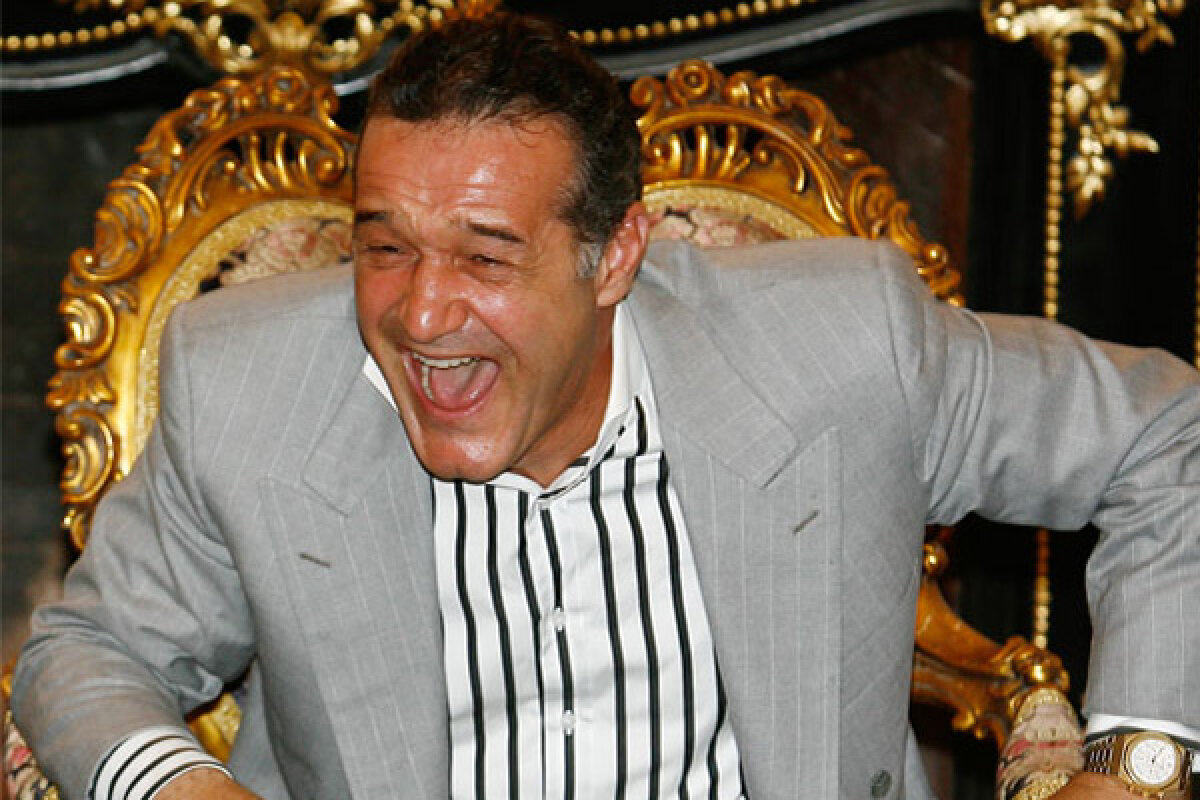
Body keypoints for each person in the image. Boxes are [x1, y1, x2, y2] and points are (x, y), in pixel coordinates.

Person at [12, 12, 1198, 800]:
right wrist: (183, 782)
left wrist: (1142, 759)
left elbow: (1167, 434)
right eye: (384, 245)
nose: (420, 313)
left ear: (615, 254)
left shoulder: (841, 346)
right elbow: (87, 651)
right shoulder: (249, 385)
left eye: (485, 255)